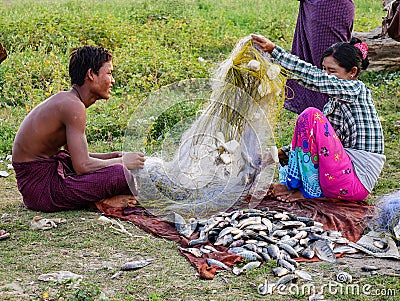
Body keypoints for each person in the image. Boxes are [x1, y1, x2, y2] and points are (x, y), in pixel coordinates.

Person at [252, 34, 385, 202]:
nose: (326, 74)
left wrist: (275, 52)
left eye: (332, 71)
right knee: (303, 135)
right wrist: (278, 154)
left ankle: (309, 190)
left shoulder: (356, 90)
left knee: (310, 116)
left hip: (354, 182)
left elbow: (315, 78)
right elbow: (320, 145)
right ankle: (300, 186)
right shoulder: (332, 105)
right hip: (342, 177)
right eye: (324, 69)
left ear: (353, 72)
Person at [12, 46, 146, 212]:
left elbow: (75, 157)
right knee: (120, 173)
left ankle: (103, 198)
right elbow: (82, 166)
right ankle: (101, 201)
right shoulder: (73, 106)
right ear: (91, 74)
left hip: (41, 182)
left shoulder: (70, 101)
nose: (112, 81)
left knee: (121, 170)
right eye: (109, 73)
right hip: (41, 191)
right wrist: (122, 161)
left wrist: (114, 155)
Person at [286, 0, 355, 114]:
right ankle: (315, 119)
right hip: (316, 7)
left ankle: (331, 119)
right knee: (318, 64)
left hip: (327, 9)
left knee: (330, 66)